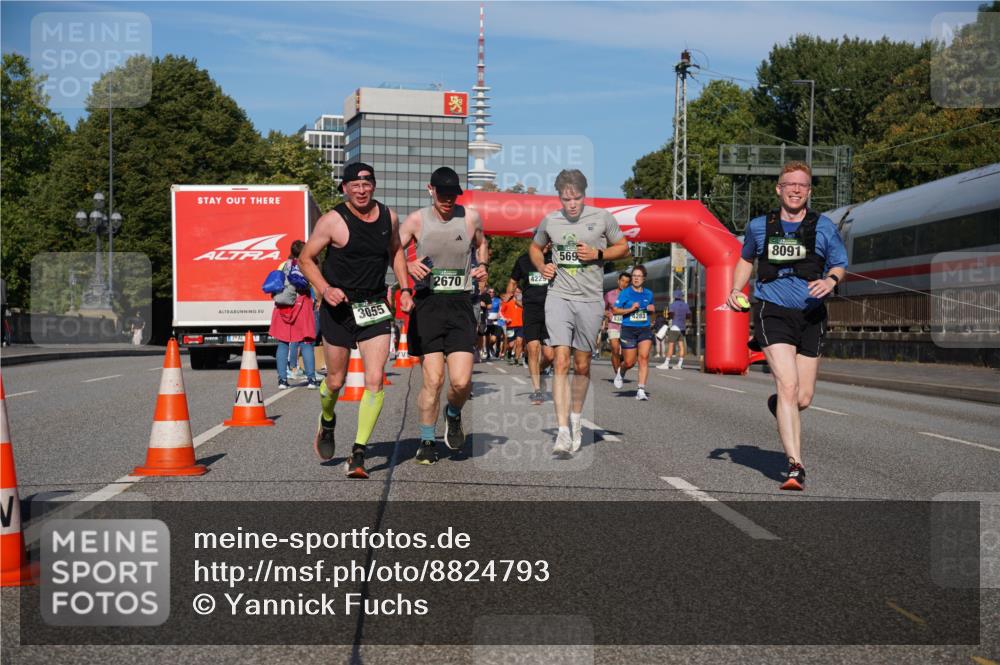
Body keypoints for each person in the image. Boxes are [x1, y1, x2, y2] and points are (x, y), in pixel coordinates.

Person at [726, 161, 847, 491]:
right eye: (789, 184)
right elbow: (746, 259)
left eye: (802, 185)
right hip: (772, 311)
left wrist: (831, 281)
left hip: (811, 315)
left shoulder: (823, 227)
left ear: (809, 191)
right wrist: (737, 289)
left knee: (803, 397)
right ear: (778, 189)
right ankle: (795, 466)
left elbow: (838, 263)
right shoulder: (758, 227)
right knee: (789, 386)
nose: (796, 189)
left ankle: (778, 406)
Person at [299, 163, 413, 479]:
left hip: (374, 305)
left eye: (366, 184)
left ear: (373, 186)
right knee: (335, 381)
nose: (361, 190)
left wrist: (404, 288)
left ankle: (359, 452)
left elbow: (397, 251)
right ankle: (327, 419)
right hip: (338, 308)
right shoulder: (332, 221)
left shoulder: (388, 217)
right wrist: (324, 289)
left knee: (374, 378)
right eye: (354, 185)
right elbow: (305, 258)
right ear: (345, 189)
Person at [530, 169, 630, 456]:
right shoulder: (551, 220)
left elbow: (624, 248)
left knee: (582, 366)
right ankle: (562, 431)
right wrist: (542, 266)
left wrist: (598, 254)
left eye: (576, 198)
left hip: (590, 300)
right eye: (566, 199)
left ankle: (576, 420)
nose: (571, 204)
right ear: (559, 196)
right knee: (561, 360)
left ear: (584, 195)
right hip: (559, 295)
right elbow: (535, 248)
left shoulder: (602, 218)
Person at [399, 167, 489, 465]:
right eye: (443, 194)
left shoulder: (471, 217)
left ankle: (452, 413)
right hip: (428, 305)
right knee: (434, 380)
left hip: (461, 304)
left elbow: (482, 243)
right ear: (431, 190)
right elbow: (392, 252)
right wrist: (409, 266)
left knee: (461, 382)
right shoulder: (416, 220)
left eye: (453, 195)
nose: (448, 200)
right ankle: (426, 440)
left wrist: (482, 266)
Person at [269, 240, 320, 390]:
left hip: (283, 306)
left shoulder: (283, 265)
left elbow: (275, 285)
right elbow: (315, 285)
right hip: (302, 304)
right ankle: (311, 379)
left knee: (283, 343)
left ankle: (282, 380)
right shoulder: (307, 264)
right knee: (306, 342)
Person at [507, 247, 554, 405]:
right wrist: (510, 295)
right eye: (543, 241)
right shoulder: (523, 260)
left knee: (550, 355)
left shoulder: (554, 258)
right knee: (533, 348)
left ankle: (539, 371)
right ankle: (537, 390)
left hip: (551, 310)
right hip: (531, 310)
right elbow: (513, 280)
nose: (547, 245)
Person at [612, 265, 656, 400]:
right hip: (628, 329)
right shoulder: (625, 293)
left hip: (644, 328)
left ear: (644, 278)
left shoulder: (649, 293)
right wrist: (630, 309)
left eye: (639, 276)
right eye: (634, 276)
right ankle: (622, 370)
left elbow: (652, 308)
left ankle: (641, 390)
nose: (636, 278)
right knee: (630, 362)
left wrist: (652, 309)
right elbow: (615, 310)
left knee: (643, 357)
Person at [604, 272, 632, 388]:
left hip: (627, 327)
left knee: (626, 356)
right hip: (613, 326)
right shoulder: (609, 295)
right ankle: (617, 374)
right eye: (622, 281)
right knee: (615, 349)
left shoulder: (631, 295)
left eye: (626, 282)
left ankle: (621, 371)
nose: (624, 284)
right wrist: (607, 314)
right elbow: (602, 309)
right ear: (618, 281)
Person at [659, 290, 691, 370]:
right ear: (681, 296)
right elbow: (688, 316)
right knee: (681, 346)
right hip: (682, 328)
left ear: (674, 296)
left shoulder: (672, 305)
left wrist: (668, 317)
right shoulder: (686, 305)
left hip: (674, 327)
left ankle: (666, 364)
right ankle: (679, 365)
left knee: (671, 345)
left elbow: (671, 315)